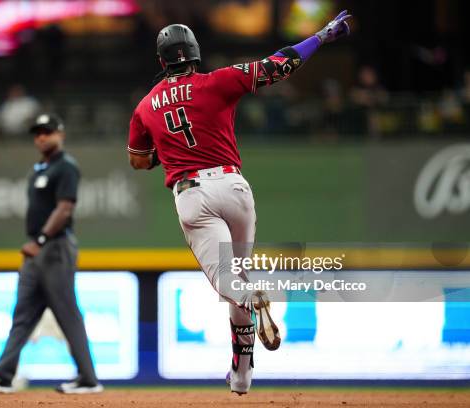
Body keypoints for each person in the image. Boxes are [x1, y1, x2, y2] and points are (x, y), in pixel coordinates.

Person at [127, 12, 351, 395]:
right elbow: (278, 65)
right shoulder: (218, 80)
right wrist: (320, 37)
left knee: (229, 284)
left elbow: (138, 159)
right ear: (195, 53)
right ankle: (242, 378)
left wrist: (167, 151)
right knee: (240, 277)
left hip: (193, 194)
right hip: (234, 187)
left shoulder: (146, 106)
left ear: (162, 61)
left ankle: (251, 296)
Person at [0, 113, 102, 394]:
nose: (41, 136)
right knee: (23, 315)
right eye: (38, 132)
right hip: (35, 251)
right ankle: (2, 375)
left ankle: (88, 379)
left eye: (47, 131)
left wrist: (41, 239)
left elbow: (65, 208)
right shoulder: (39, 169)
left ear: (60, 134)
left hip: (54, 247)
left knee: (67, 314)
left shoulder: (65, 167)